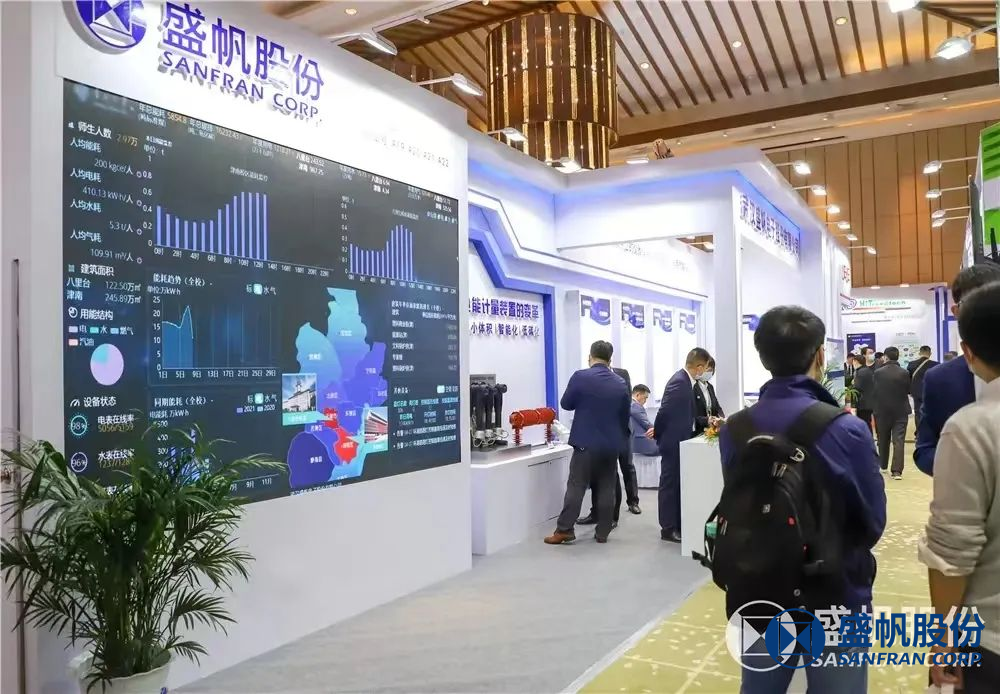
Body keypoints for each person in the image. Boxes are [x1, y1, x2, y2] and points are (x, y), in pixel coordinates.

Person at [718, 306, 886, 694]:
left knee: (760, 687)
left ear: (763, 357)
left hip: (758, 587)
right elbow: (873, 522)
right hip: (836, 592)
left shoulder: (735, 429)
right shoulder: (847, 429)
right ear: (820, 355)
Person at [918, 280, 1000, 692]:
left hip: (989, 635)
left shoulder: (973, 427)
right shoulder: (941, 383)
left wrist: (943, 640)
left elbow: (952, 555)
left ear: (968, 352)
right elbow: (924, 449)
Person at [915, 263, 1000, 475]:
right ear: (956, 311)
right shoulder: (940, 380)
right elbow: (924, 450)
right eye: (975, 304)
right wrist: (964, 467)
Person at [545, 341, 630, 545]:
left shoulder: (580, 377)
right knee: (607, 487)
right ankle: (603, 532)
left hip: (585, 443)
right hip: (610, 444)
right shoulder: (620, 383)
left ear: (590, 356)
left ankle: (565, 529)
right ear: (610, 359)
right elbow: (624, 415)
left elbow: (566, 404)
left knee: (576, 486)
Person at [653, 347, 711, 543]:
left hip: (680, 440)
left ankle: (676, 523)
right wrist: (659, 435)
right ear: (699, 367)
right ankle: (668, 528)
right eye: (705, 368)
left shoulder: (687, 382)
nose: (705, 372)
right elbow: (664, 412)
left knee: (677, 484)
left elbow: (687, 415)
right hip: (672, 442)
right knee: (669, 485)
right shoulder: (679, 382)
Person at [578, 366, 641, 525]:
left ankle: (632, 502)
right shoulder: (590, 377)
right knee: (603, 474)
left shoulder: (622, 374)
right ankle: (597, 513)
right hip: (600, 433)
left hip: (622, 430)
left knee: (627, 466)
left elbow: (626, 402)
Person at [873, 346, 911, 479]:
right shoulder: (905, 373)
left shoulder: (878, 373)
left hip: (882, 410)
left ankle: (883, 465)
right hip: (901, 410)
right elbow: (908, 390)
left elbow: (875, 391)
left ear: (885, 357)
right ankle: (897, 471)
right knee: (899, 440)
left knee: (883, 439)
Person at [907, 345, 937, 430]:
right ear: (930, 353)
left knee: (918, 413)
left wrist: (910, 391)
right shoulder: (935, 364)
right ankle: (930, 431)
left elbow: (908, 379)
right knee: (931, 412)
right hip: (931, 393)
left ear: (919, 353)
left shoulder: (911, 364)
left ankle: (919, 432)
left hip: (916, 393)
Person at [692, 357, 724, 435]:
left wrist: (721, 418)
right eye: (707, 370)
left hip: (711, 430)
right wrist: (707, 420)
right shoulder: (693, 387)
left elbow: (717, 407)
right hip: (697, 431)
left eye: (711, 370)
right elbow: (692, 414)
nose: (709, 373)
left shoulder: (710, 387)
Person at [628, 384, 658, 457]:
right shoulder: (635, 406)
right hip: (645, 444)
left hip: (634, 444)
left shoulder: (627, 404)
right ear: (638, 395)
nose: (645, 401)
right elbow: (647, 424)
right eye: (645, 398)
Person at [852, 353, 875, 433]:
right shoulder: (868, 370)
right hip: (869, 402)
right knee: (867, 422)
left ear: (856, 361)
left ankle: (867, 438)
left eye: (853, 362)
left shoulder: (859, 372)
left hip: (862, 403)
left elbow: (857, 388)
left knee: (864, 424)